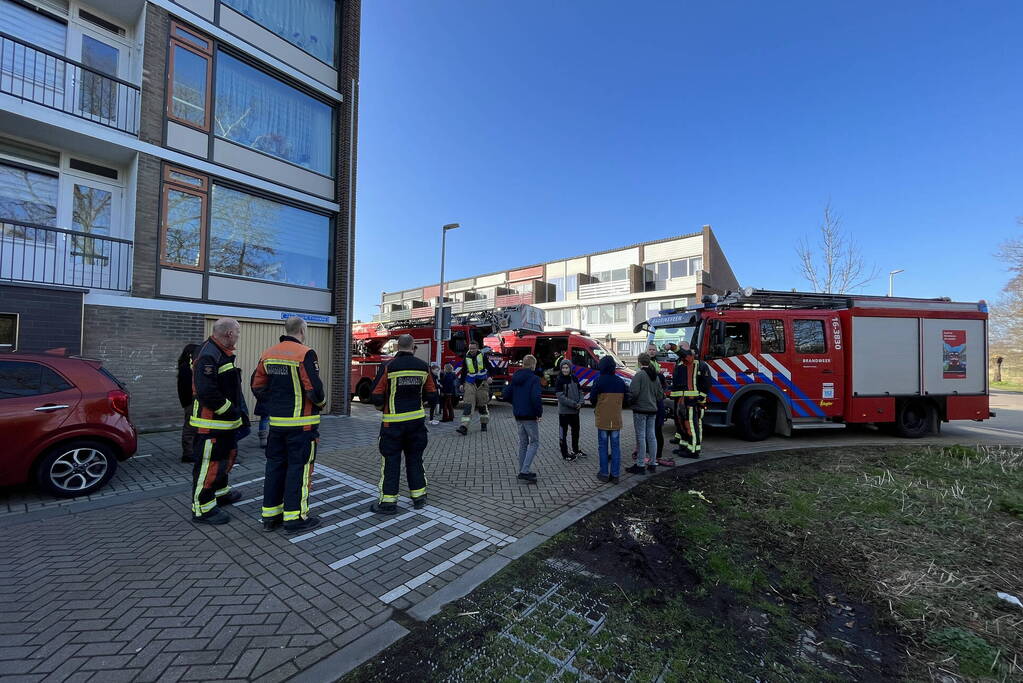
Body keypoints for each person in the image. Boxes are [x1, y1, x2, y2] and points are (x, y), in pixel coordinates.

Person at [251, 317, 326, 533]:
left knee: (274, 467)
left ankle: (270, 515)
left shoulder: (268, 353)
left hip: (277, 424)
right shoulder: (305, 353)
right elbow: (315, 390)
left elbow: (256, 386)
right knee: (299, 469)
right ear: (302, 330)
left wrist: (274, 404)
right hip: (302, 426)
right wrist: (321, 404)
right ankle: (295, 518)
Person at [370, 334, 437, 514]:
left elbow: (375, 395)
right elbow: (432, 394)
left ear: (397, 347)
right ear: (413, 346)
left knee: (391, 461)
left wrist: (381, 406)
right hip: (416, 422)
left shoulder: (388, 366)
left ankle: (388, 502)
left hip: (392, 424)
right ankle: (419, 497)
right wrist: (421, 402)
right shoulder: (424, 367)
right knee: (415, 458)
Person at [189, 318, 245, 525]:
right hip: (211, 424)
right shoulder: (208, 354)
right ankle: (203, 509)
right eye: (237, 333)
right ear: (229, 333)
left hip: (223, 425)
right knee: (209, 465)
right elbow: (205, 391)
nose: (238, 337)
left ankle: (220, 493)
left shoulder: (220, 352)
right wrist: (229, 410)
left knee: (223, 460)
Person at [502, 354, 543, 482]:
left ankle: (522, 470)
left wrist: (516, 403)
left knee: (523, 443)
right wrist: (538, 413)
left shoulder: (515, 377)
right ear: (533, 365)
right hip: (530, 416)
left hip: (518, 415)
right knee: (534, 442)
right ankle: (525, 470)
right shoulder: (534, 379)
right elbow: (536, 397)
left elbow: (505, 394)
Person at [589, 355, 629, 483]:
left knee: (603, 447)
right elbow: (627, 399)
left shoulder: (599, 380)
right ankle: (615, 475)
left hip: (603, 419)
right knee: (616, 447)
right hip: (616, 419)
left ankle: (604, 473)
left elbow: (592, 399)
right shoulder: (620, 381)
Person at [672, 349, 712, 458]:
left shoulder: (698, 364)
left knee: (692, 426)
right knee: (683, 425)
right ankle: (685, 447)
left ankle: (693, 450)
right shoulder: (680, 364)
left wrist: (701, 397)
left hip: (691, 401)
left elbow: (707, 383)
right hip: (682, 400)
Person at [627, 353, 661, 475]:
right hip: (652, 410)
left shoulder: (639, 375)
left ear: (639, 362)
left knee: (641, 437)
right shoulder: (655, 376)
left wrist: (629, 402)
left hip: (640, 410)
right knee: (651, 436)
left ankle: (640, 465)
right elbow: (660, 395)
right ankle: (652, 463)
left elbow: (634, 393)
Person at [456, 341, 491, 435]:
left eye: (473, 348)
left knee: (482, 405)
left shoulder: (483, 356)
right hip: (469, 383)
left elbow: (490, 367)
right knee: (468, 405)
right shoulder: (466, 357)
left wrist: (490, 376)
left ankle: (484, 423)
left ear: (477, 348)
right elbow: (463, 371)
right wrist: (461, 383)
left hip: (482, 384)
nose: (471, 350)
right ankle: (464, 427)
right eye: (470, 348)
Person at [554, 358, 585, 461]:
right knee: (563, 433)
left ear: (570, 368)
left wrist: (581, 402)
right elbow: (560, 397)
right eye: (563, 368)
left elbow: (580, 392)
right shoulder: (559, 380)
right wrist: (574, 404)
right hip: (564, 412)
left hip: (575, 411)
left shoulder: (575, 378)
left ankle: (575, 450)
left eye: (567, 367)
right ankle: (565, 454)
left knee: (576, 432)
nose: (565, 370)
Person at [177, 343, 199, 463]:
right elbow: (186, 387)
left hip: (190, 401)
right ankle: (188, 454)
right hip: (190, 401)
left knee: (192, 426)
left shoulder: (186, 366)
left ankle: (191, 451)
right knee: (190, 427)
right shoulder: (186, 368)